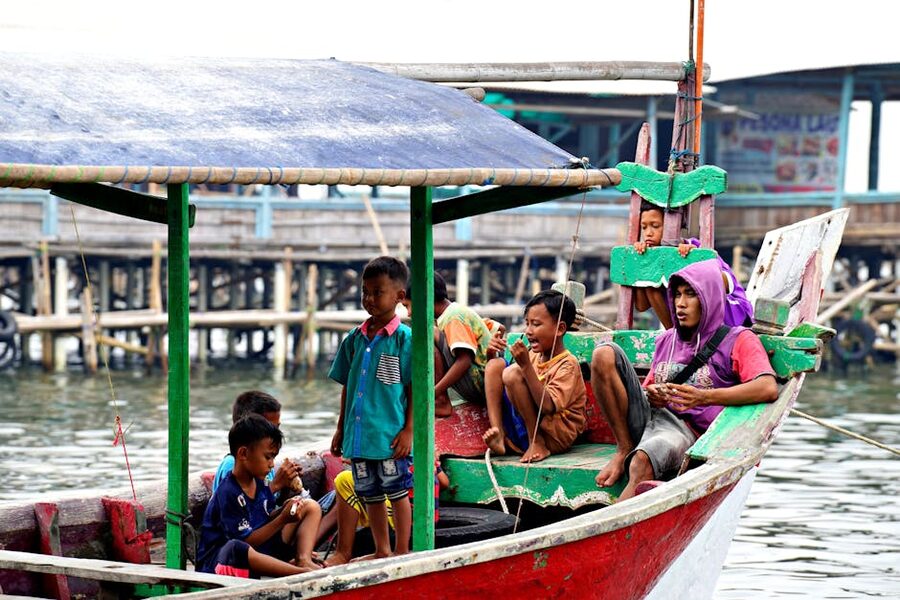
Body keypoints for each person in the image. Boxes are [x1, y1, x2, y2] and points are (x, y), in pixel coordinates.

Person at [591, 260, 779, 501]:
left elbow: (767, 387)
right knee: (604, 354)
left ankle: (613, 527)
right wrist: (653, 392)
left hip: (684, 430)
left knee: (642, 461)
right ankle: (623, 447)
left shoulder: (739, 339)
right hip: (650, 417)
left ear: (709, 296)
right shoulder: (666, 340)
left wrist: (704, 397)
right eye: (677, 295)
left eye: (691, 295)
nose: (680, 304)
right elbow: (649, 385)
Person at [329, 256, 413, 560]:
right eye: (366, 292)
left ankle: (403, 551)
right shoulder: (354, 338)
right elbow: (348, 388)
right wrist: (340, 429)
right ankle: (382, 551)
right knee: (371, 495)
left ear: (399, 297)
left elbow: (415, 389)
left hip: (390, 436)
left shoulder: (404, 340)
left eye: (378, 292)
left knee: (398, 492)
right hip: (360, 436)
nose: (369, 299)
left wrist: (409, 431)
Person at [196, 414, 323, 577]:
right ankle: (299, 572)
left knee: (310, 506)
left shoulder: (260, 481)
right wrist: (282, 518)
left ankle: (303, 559)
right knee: (236, 547)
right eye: (268, 457)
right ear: (243, 454)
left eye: (273, 457)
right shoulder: (228, 492)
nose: (271, 464)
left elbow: (264, 516)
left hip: (259, 548)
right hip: (222, 562)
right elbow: (246, 540)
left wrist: (286, 509)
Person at [482, 290, 586, 463]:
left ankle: (536, 442)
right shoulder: (534, 355)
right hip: (525, 427)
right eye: (527, 324)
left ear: (560, 329)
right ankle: (498, 434)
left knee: (513, 373)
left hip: (553, 437)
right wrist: (491, 354)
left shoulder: (568, 364)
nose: (528, 331)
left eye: (536, 324)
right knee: (495, 365)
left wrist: (525, 366)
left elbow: (547, 407)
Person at [632, 202, 753, 328]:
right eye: (644, 227)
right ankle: (674, 335)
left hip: (733, 317)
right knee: (651, 284)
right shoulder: (651, 259)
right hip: (693, 325)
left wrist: (691, 262)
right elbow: (641, 306)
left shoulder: (696, 248)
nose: (648, 233)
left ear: (671, 228)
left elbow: (726, 283)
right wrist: (641, 264)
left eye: (655, 226)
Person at [403, 272, 497, 418]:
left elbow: (464, 361)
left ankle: (440, 401)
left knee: (425, 331)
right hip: (479, 383)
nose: (408, 313)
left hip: (481, 384)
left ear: (423, 298)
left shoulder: (453, 317)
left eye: (408, 305)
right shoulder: (449, 315)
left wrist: (433, 392)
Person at [323, 462, 450, 566]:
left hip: (406, 523)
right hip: (428, 520)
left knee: (344, 480)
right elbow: (444, 483)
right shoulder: (426, 452)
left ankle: (343, 553)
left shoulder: (393, 451)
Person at [212, 390, 300, 495]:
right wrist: (276, 485)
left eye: (277, 428)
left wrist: (286, 483)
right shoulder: (233, 465)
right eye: (271, 428)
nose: (277, 434)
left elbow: (271, 502)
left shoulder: (264, 464)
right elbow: (245, 507)